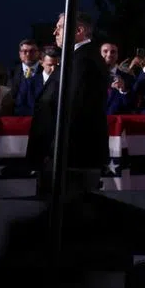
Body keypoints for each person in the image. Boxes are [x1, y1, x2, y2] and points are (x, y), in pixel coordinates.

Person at [27, 12, 109, 195]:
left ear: (79, 30)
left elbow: (73, 110)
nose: (55, 31)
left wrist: (52, 153)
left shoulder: (83, 61)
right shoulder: (77, 58)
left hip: (70, 159)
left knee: (67, 215)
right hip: (67, 158)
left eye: (60, 27)